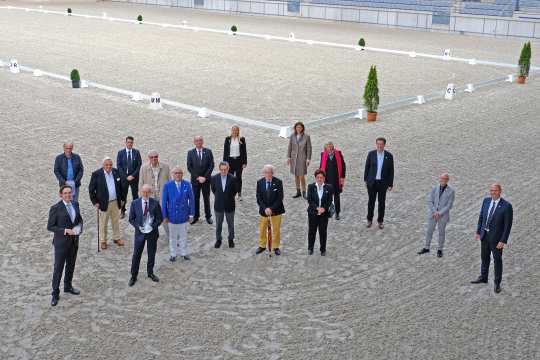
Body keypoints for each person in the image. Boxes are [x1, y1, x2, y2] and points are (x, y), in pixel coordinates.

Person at [471, 183, 513, 294]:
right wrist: (478, 231)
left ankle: (497, 283)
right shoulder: (486, 201)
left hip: (497, 239)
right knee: (484, 257)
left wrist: (503, 240)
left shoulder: (507, 206)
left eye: (495, 190)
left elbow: (507, 226)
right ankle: (483, 277)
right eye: (491, 190)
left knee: (497, 260)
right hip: (484, 235)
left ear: (500, 191)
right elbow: (481, 217)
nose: (493, 192)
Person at [47, 185, 83, 306]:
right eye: (65, 193)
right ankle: (55, 293)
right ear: (61, 195)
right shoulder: (55, 208)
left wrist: (79, 228)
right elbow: (50, 226)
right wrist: (65, 230)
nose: (68, 195)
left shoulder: (75, 204)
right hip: (61, 243)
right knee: (58, 268)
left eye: (69, 193)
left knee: (71, 265)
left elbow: (79, 220)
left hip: (73, 242)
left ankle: (68, 286)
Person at [128, 184, 163, 287]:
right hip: (140, 234)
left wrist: (153, 227)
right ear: (141, 192)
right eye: (144, 192)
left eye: (147, 192)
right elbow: (131, 219)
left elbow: (159, 219)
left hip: (152, 233)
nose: (145, 193)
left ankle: (150, 273)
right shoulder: (135, 203)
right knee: (136, 254)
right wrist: (138, 227)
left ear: (150, 193)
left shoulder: (155, 203)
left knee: (151, 253)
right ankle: (133, 276)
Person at [88, 157, 125, 250]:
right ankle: (103, 241)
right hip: (103, 203)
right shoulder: (96, 174)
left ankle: (116, 238)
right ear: (103, 165)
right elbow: (91, 190)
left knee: (115, 221)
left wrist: (122, 199)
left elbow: (121, 187)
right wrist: (95, 202)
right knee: (103, 223)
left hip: (115, 201)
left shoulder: (116, 172)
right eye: (106, 165)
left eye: (110, 165)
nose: (109, 167)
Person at [162, 166, 195, 262]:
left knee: (183, 236)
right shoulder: (168, 185)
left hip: (183, 215)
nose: (177, 175)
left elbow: (192, 200)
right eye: (175, 173)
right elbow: (164, 202)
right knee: (172, 237)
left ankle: (184, 253)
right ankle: (173, 254)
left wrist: (191, 214)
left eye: (179, 173)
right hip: (172, 216)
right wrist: (165, 216)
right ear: (172, 174)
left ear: (182, 174)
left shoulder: (187, 184)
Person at [418, 173, 455, 258]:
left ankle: (440, 249)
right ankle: (427, 247)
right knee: (429, 231)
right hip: (433, 214)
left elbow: (449, 205)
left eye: (445, 179)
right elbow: (430, 201)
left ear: (447, 180)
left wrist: (439, 213)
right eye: (441, 178)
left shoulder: (451, 191)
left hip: (442, 215)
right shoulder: (434, 188)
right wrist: (435, 212)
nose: (443, 180)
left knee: (441, 233)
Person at [364, 137, 394, 229]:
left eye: (381, 144)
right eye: (378, 144)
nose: (379, 145)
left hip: (382, 183)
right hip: (372, 183)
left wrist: (390, 184)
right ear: (376, 144)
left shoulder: (389, 156)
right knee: (371, 202)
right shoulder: (371, 154)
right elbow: (367, 167)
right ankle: (369, 220)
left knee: (382, 203)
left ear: (384, 145)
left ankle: (380, 221)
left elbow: (391, 171)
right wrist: (366, 180)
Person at [139, 150, 170, 236]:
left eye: (155, 157)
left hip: (162, 195)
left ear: (158, 157)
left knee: (164, 215)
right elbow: (141, 183)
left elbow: (170, 182)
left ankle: (170, 236)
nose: (154, 159)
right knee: (150, 216)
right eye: (152, 157)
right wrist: (141, 198)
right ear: (149, 158)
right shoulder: (143, 168)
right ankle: (152, 235)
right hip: (149, 196)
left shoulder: (165, 167)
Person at [256, 165, 285, 256]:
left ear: (272, 173)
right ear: (264, 173)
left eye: (270, 172)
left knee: (276, 229)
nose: (268, 174)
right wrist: (265, 208)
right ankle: (262, 245)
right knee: (262, 228)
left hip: (276, 210)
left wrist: (271, 209)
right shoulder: (259, 182)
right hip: (264, 211)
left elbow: (280, 198)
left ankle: (276, 246)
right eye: (266, 172)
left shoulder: (278, 182)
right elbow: (258, 198)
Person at [187, 136, 214, 224]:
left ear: (203, 141)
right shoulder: (190, 153)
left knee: (206, 198)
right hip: (195, 180)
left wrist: (205, 177)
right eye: (197, 141)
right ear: (194, 142)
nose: (199, 142)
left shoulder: (208, 151)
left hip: (206, 180)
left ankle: (208, 216)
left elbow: (211, 165)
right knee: (195, 198)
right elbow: (189, 167)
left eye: (200, 140)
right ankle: (196, 216)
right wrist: (198, 177)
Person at [211, 161, 238, 249]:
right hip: (218, 205)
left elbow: (235, 191)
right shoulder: (214, 178)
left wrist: (228, 198)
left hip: (230, 205)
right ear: (219, 169)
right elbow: (214, 190)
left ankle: (231, 239)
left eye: (225, 169)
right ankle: (218, 239)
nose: (223, 171)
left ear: (228, 169)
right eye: (221, 170)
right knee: (218, 224)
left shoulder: (233, 178)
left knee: (231, 224)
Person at [307, 169, 334, 256]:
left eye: (321, 178)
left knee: (323, 232)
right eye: (318, 177)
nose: (319, 179)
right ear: (315, 178)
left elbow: (329, 200)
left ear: (324, 178)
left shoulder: (329, 188)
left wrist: (324, 208)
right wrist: (316, 208)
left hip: (323, 214)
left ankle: (323, 249)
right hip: (313, 213)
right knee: (312, 231)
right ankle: (310, 248)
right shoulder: (311, 187)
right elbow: (310, 200)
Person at [116, 136, 142, 219]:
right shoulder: (120, 153)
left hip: (134, 178)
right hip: (124, 178)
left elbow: (139, 165)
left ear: (133, 143)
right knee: (123, 196)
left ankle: (136, 211)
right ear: (125, 143)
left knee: (135, 195)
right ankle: (122, 210)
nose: (130, 144)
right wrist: (125, 176)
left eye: (131, 142)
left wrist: (133, 175)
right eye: (128, 142)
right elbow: (119, 166)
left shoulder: (136, 152)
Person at [319, 142, 346, 220]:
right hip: (327, 179)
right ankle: (328, 211)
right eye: (327, 146)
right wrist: (320, 177)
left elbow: (343, 165)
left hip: (336, 179)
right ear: (325, 147)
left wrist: (342, 176)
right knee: (327, 197)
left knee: (337, 197)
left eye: (330, 145)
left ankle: (337, 213)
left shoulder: (338, 153)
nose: (329, 147)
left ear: (333, 146)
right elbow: (321, 166)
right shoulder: (323, 154)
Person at [287, 121, 312, 199]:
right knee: (296, 175)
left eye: (300, 127)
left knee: (301, 176)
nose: (298, 129)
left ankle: (304, 191)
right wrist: (288, 157)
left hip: (302, 159)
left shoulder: (306, 137)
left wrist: (308, 159)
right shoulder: (292, 136)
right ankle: (298, 191)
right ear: (295, 128)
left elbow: (309, 148)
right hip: (294, 159)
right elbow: (290, 147)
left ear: (302, 128)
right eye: (297, 127)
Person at [223, 125, 247, 201]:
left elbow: (244, 152)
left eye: (236, 130)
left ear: (238, 131)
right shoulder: (228, 139)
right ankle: (231, 193)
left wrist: (244, 162)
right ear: (231, 131)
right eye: (233, 130)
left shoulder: (241, 139)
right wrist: (225, 163)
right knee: (230, 177)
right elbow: (225, 151)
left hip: (238, 161)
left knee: (238, 178)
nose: (234, 131)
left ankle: (239, 193)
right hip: (230, 161)